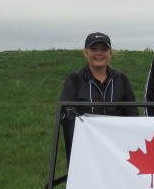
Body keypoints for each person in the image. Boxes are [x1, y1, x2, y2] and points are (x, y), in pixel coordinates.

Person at [59, 32, 139, 162]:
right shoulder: (74, 80)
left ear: (110, 53)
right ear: (85, 52)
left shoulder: (121, 79)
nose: (99, 53)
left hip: (117, 149)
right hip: (85, 149)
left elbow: (132, 113)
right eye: (93, 49)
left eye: (104, 49)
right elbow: (68, 116)